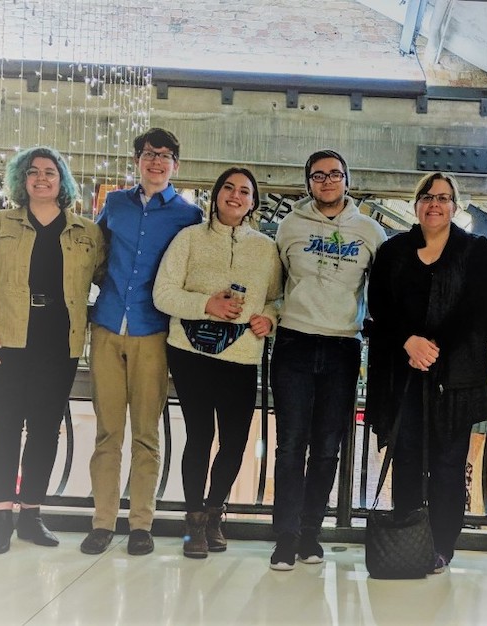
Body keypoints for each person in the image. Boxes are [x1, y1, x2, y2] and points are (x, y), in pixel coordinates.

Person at [0, 146, 105, 554]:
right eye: (33, 172)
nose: (42, 178)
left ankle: (30, 515)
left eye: (50, 172)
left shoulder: (86, 232)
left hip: (60, 342)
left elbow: (112, 280)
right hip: (4, 340)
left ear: (63, 181)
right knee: (4, 427)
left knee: (44, 430)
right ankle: (1, 517)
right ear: (22, 180)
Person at [80, 128, 203, 556]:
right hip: (108, 325)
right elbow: (91, 254)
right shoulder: (113, 203)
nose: (157, 162)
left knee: (147, 433)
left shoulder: (189, 216)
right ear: (137, 159)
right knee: (107, 432)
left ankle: (141, 524)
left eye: (166, 156)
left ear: (176, 166)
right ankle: (102, 522)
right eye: (150, 154)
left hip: (153, 332)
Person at [365, 172, 487, 573]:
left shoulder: (475, 250)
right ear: (416, 203)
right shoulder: (393, 250)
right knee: (405, 458)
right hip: (402, 373)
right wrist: (409, 342)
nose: (434, 204)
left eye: (443, 198)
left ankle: (441, 546)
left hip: (455, 376)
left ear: (455, 206)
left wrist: (432, 347)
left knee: (448, 464)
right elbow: (380, 307)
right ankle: (408, 538)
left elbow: (476, 309)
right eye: (427, 196)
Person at [153, 166, 282, 559]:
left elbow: (276, 298)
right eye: (228, 187)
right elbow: (163, 294)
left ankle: (215, 512)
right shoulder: (188, 239)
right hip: (189, 354)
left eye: (245, 191)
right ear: (216, 194)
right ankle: (194, 520)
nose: (236, 195)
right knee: (199, 436)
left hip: (241, 356)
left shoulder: (266, 248)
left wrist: (270, 318)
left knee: (235, 441)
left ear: (253, 202)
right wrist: (206, 304)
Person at [270, 149, 387, 570]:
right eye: (318, 176)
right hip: (294, 343)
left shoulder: (371, 232)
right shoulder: (289, 226)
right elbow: (276, 282)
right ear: (308, 184)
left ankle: (309, 534)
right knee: (289, 446)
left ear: (347, 181)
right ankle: (284, 537)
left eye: (334, 174)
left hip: (341, 346)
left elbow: (382, 291)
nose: (327, 182)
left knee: (326, 449)